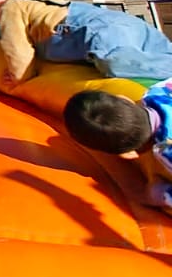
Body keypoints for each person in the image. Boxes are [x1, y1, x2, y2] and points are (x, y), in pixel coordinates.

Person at [0, 0, 172, 87]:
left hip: (86, 28)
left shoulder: (12, 5)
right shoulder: (46, 1)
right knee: (160, 54)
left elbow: (16, 45)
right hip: (125, 23)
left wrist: (19, 76)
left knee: (115, 63)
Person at [63, 83, 172, 212]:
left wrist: (156, 194)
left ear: (129, 154)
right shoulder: (159, 90)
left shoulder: (165, 153)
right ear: (125, 98)